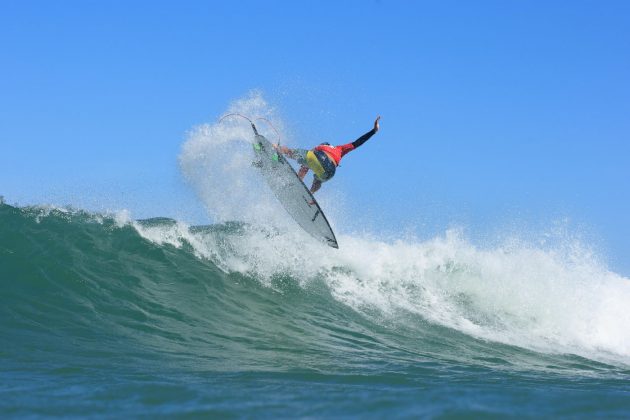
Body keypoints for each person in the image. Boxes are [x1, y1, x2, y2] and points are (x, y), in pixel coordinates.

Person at [274, 116, 381, 194]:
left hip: (319, 158)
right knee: (318, 180)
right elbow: (357, 142)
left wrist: (298, 181)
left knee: (291, 152)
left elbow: (304, 168)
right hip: (330, 173)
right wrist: (373, 131)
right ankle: (310, 196)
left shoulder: (317, 149)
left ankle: (275, 148)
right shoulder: (340, 149)